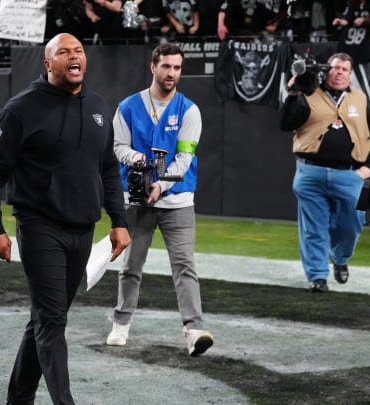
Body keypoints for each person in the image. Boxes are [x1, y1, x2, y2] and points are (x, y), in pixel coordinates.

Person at [0, 33, 131, 405]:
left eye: (78, 51)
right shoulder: (21, 108)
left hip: (82, 229)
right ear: (48, 64)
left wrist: (119, 220)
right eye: (63, 52)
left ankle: (19, 398)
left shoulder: (97, 106)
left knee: (46, 318)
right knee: (52, 320)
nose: (73, 56)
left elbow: (108, 167)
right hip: (39, 226)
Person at [105, 43, 214, 357]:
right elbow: (118, 147)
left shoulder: (189, 110)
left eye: (177, 68)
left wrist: (162, 185)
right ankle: (121, 323)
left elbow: (184, 157)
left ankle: (194, 331)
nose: (172, 73)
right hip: (137, 199)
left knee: (185, 267)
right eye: (166, 66)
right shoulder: (127, 107)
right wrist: (137, 158)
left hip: (177, 200)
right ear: (153, 67)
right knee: (131, 265)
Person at [279, 52, 370, 292]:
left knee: (352, 225)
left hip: (349, 174)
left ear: (350, 73)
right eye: (335, 68)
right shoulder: (308, 93)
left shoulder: (361, 99)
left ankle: (341, 258)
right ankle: (317, 276)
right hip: (310, 172)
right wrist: (292, 94)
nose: (339, 72)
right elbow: (285, 124)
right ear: (327, 70)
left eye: (345, 69)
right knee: (313, 227)